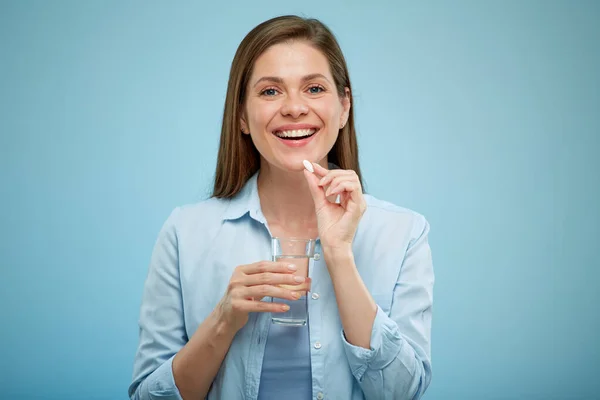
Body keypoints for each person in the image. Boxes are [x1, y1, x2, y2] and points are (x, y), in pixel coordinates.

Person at [128, 15, 434, 400]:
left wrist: (339, 254)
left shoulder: (403, 233)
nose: (293, 108)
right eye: (270, 92)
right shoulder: (184, 232)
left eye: (314, 88)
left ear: (343, 108)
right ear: (241, 115)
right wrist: (223, 322)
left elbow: (402, 393)